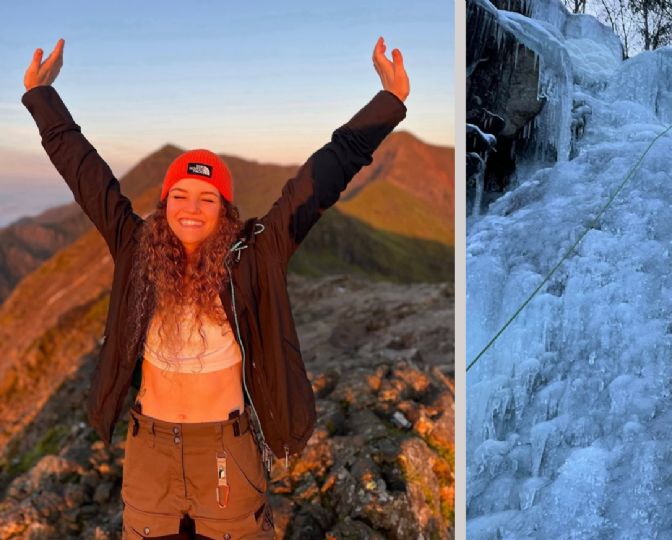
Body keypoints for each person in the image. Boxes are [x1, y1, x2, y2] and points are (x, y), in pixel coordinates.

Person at [22, 36, 409, 539]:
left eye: (207, 198)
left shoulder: (254, 255)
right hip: (150, 450)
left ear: (225, 209)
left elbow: (322, 176)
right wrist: (41, 96)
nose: (190, 207)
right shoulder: (136, 248)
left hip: (227, 448)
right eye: (179, 195)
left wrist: (389, 101)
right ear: (163, 204)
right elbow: (86, 173)